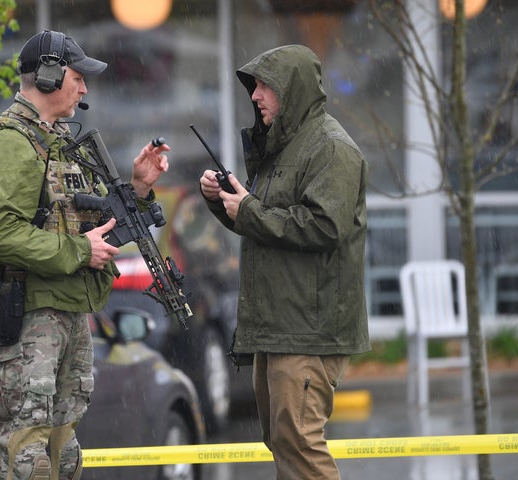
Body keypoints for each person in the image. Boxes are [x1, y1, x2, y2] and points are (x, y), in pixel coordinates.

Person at [0, 30, 171, 480]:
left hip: (67, 315)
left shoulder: (57, 143)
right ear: (49, 76)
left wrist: (138, 189)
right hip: (29, 317)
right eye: (77, 77)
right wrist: (77, 250)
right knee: (25, 455)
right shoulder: (9, 143)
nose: (85, 88)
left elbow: (92, 230)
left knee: (62, 455)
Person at [200, 45, 370, 479]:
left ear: (290, 90)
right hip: (279, 326)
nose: (255, 96)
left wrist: (249, 210)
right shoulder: (283, 146)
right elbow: (269, 225)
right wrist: (226, 203)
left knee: (299, 446)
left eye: (263, 86)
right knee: (284, 445)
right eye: (253, 86)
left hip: (308, 330)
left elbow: (323, 228)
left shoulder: (330, 148)